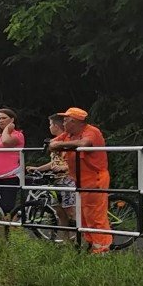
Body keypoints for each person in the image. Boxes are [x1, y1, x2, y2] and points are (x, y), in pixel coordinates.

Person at [40, 106, 112, 253]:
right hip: (79, 180)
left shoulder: (91, 131)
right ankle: (92, 244)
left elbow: (84, 144)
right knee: (83, 215)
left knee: (95, 215)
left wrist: (61, 146)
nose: (63, 123)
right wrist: (60, 145)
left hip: (95, 178)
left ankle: (102, 249)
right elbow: (52, 145)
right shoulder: (68, 135)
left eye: (65, 120)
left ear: (74, 122)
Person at [0, 108, 26, 212]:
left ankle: (14, 223)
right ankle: (10, 223)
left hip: (9, 177)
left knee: (7, 207)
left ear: (12, 119)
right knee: (1, 208)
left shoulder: (18, 135)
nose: (1, 121)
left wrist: (7, 129)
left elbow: (7, 142)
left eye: (4, 118)